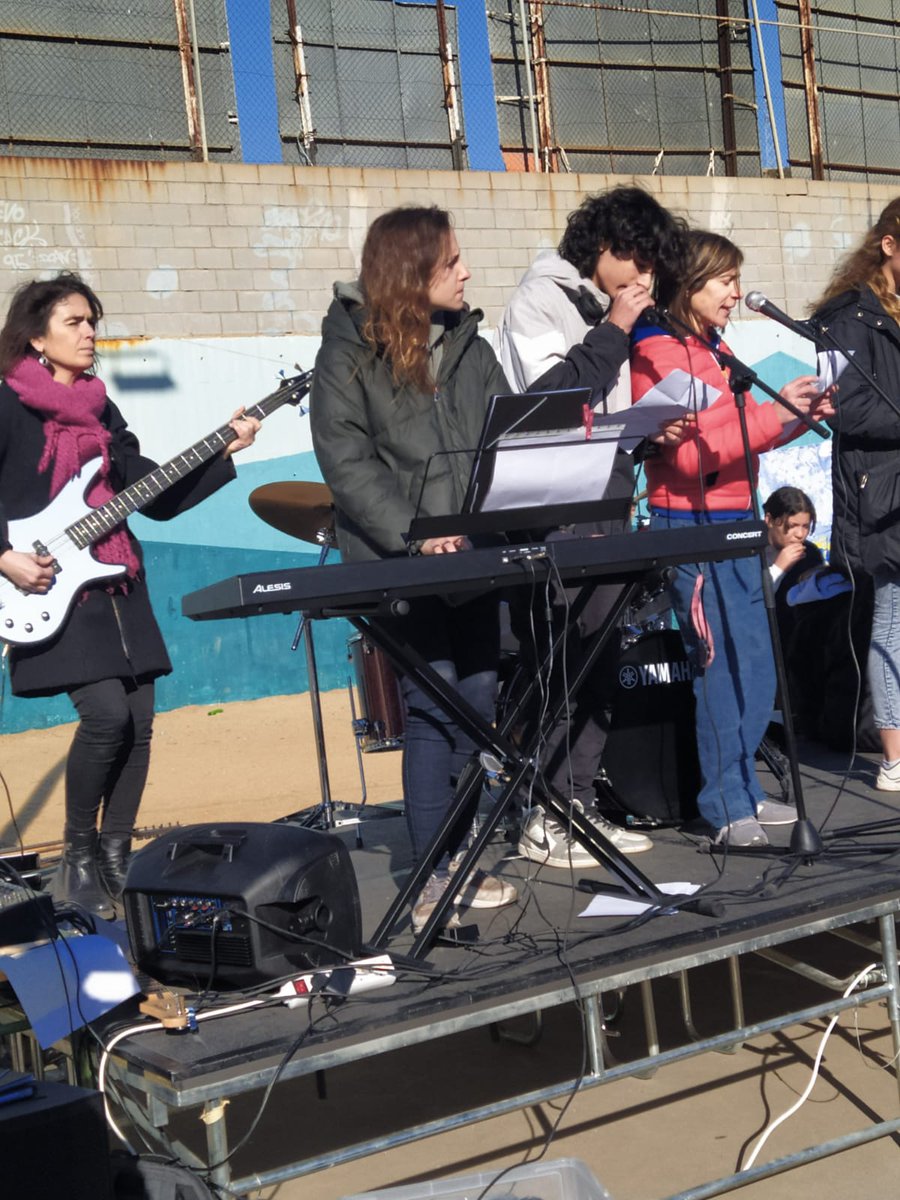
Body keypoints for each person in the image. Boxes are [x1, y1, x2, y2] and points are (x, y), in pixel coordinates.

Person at [0, 273, 260, 917]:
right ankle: (78, 859)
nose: (90, 332)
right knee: (106, 717)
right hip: (47, 586)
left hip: (116, 579)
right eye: (74, 323)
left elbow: (156, 496)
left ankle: (116, 858)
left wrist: (222, 450)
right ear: (35, 337)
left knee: (140, 726)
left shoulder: (102, 409)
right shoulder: (7, 406)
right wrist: (5, 558)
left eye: (93, 321)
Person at [310, 206, 523, 933]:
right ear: (412, 273)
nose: (467, 273)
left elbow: (504, 436)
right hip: (402, 567)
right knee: (434, 712)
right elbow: (346, 460)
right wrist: (415, 537)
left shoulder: (471, 345)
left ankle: (461, 853)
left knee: (480, 699)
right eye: (452, 263)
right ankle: (434, 872)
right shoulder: (346, 350)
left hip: (477, 558)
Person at [495, 186, 689, 869]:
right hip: (554, 507)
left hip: (609, 495)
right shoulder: (542, 297)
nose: (643, 279)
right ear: (600, 245)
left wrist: (645, 429)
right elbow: (549, 402)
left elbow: (601, 416)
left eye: (651, 269)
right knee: (561, 658)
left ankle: (576, 801)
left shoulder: (614, 311)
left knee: (602, 656)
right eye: (633, 260)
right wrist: (613, 327)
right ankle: (541, 812)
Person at [630, 231, 833, 846]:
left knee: (757, 661)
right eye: (723, 280)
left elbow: (737, 436)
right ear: (688, 284)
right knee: (718, 667)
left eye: (736, 280)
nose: (735, 293)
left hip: (737, 518)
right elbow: (693, 457)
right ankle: (722, 806)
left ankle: (744, 787)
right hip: (690, 527)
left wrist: (796, 415)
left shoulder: (716, 349)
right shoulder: (657, 352)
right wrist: (777, 416)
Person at [811, 197, 900, 791]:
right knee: (892, 620)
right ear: (889, 245)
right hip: (883, 488)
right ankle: (894, 757)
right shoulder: (848, 317)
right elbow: (845, 405)